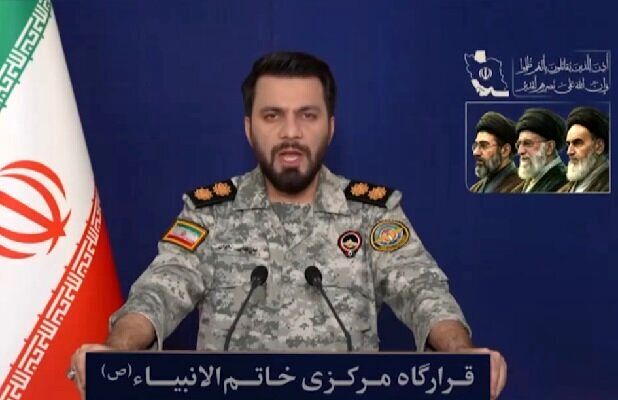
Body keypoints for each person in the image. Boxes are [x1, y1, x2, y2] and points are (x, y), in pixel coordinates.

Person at [68, 51, 507, 399]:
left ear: (330, 127)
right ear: (249, 128)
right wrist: (116, 352)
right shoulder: (208, 212)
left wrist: (463, 355)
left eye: (307, 115)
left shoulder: (372, 212)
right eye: (273, 115)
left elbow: (421, 289)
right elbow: (163, 287)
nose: (291, 132)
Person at [513, 108, 568, 193]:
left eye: (527, 143)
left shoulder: (563, 184)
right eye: (518, 145)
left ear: (549, 147)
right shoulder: (531, 179)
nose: (520, 151)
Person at [558, 107, 609, 193]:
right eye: (568, 144)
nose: (569, 152)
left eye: (577, 143)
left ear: (599, 146)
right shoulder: (564, 190)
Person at [470, 111, 522, 193]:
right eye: (475, 145)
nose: (476, 152)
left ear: (505, 150)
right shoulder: (475, 189)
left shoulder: (523, 188)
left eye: (484, 145)